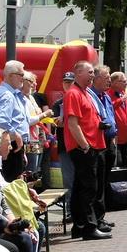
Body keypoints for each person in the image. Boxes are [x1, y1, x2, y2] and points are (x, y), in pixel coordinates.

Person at [63, 61, 111, 240]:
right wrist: (84, 145)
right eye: (90, 72)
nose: (92, 75)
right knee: (89, 188)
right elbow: (72, 123)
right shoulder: (74, 93)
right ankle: (89, 227)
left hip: (91, 145)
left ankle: (80, 226)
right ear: (78, 73)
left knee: (80, 187)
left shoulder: (84, 92)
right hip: (84, 148)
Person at [0, 60, 31, 182]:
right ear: (10, 75)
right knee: (13, 181)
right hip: (11, 145)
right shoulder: (7, 95)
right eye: (21, 75)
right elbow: (1, 120)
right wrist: (16, 135)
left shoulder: (0, 92)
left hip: (8, 144)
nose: (23, 78)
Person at [89, 66, 118, 229]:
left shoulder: (105, 96)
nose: (109, 80)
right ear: (97, 78)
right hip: (98, 142)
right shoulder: (91, 96)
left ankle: (101, 216)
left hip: (109, 142)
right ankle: (96, 220)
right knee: (97, 182)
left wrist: (113, 137)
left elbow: (111, 117)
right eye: (107, 77)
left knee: (104, 181)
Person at [21, 71, 52, 174]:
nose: (34, 84)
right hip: (28, 140)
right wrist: (44, 115)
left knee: (35, 172)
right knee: (30, 172)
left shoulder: (31, 98)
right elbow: (28, 121)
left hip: (36, 139)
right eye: (31, 81)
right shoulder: (21, 98)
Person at [52, 72, 76, 206]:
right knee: (68, 179)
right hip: (64, 146)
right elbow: (56, 122)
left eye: (70, 82)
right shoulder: (58, 103)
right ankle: (70, 207)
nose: (68, 84)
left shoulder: (79, 99)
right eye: (66, 82)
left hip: (79, 145)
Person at [109, 72, 127, 168]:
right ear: (114, 82)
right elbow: (110, 107)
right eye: (123, 81)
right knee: (117, 166)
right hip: (116, 140)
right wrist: (122, 99)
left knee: (124, 166)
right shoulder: (108, 95)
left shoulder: (124, 95)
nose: (126, 83)